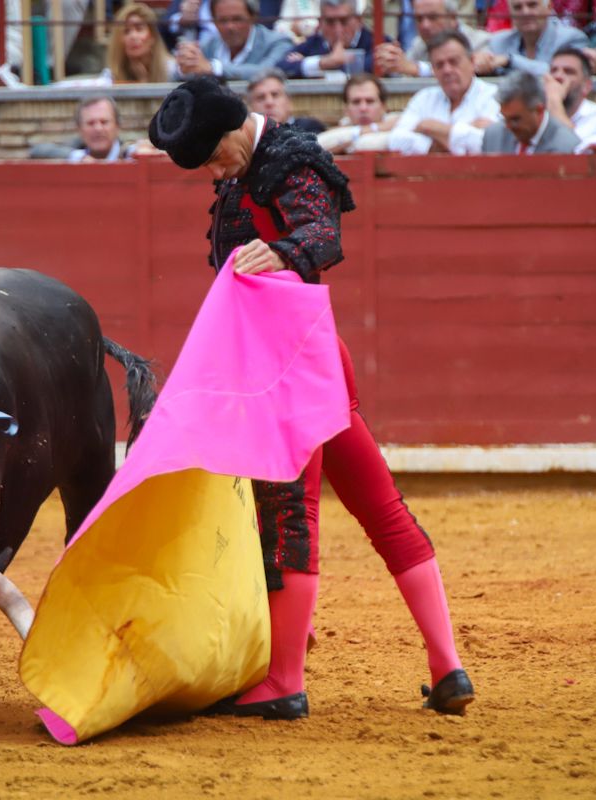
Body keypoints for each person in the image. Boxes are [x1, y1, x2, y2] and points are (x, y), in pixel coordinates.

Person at [147, 75, 474, 721]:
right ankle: (447, 667)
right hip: (303, 365)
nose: (214, 171)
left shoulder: (291, 156)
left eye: (215, 156)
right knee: (381, 509)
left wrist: (286, 250)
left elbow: (323, 236)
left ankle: (283, 682)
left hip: (292, 371)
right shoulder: (241, 174)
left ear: (235, 126)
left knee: (289, 514)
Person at [387, 29, 500, 154]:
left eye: (454, 62)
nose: (447, 70)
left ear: (472, 62)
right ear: (433, 69)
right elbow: (396, 140)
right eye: (439, 65)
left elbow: (488, 143)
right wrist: (435, 145)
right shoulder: (424, 98)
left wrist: (428, 126)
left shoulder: (493, 96)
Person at [175, 0, 294, 80]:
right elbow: (176, 76)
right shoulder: (207, 45)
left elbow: (268, 72)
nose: (230, 27)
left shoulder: (278, 42)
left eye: (237, 19)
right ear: (213, 22)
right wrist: (186, 65)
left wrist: (213, 68)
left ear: (253, 17)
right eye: (223, 20)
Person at [372, 0, 490, 77]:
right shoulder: (419, 44)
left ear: (453, 17)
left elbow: (465, 73)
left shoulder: (480, 42)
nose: (425, 25)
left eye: (433, 17)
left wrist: (417, 69)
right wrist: (392, 62)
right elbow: (404, 73)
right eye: (419, 19)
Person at [481, 0, 590, 76]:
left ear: (549, 7)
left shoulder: (572, 39)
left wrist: (511, 61)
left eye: (532, 5)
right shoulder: (498, 42)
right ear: (511, 13)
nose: (525, 13)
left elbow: (559, 75)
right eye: (517, 7)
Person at [483, 69, 580, 152]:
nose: (507, 126)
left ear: (539, 110)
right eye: (504, 118)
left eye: (515, 120)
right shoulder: (494, 137)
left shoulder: (565, 146)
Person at [277, 0, 381, 78]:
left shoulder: (377, 41)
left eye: (344, 21)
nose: (338, 29)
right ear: (320, 22)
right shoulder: (314, 42)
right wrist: (323, 63)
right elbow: (281, 68)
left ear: (358, 20)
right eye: (330, 22)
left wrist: (314, 66)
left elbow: (372, 66)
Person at [317, 73, 400, 152]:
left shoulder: (399, 123)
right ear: (346, 109)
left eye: (370, 101)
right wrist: (375, 128)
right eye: (356, 102)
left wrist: (344, 142)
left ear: (383, 106)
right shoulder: (344, 126)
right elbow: (316, 145)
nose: (363, 108)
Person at [543, 47, 596, 139]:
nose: (558, 76)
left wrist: (555, 100)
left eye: (568, 72)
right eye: (553, 71)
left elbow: (575, 148)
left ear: (586, 86)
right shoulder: (537, 114)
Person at [104, 1, 175, 83]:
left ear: (152, 37)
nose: (133, 36)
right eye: (126, 31)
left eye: (139, 29)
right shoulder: (111, 76)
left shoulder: (170, 69)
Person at [245, 67, 327, 133]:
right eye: (261, 97)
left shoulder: (309, 129)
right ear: (250, 107)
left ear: (288, 101)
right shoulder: (245, 139)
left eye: (275, 95)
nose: (269, 102)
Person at [68, 96, 135, 162]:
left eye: (104, 122)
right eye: (90, 123)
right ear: (79, 129)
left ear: (117, 126)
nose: (98, 129)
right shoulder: (72, 161)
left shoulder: (133, 158)